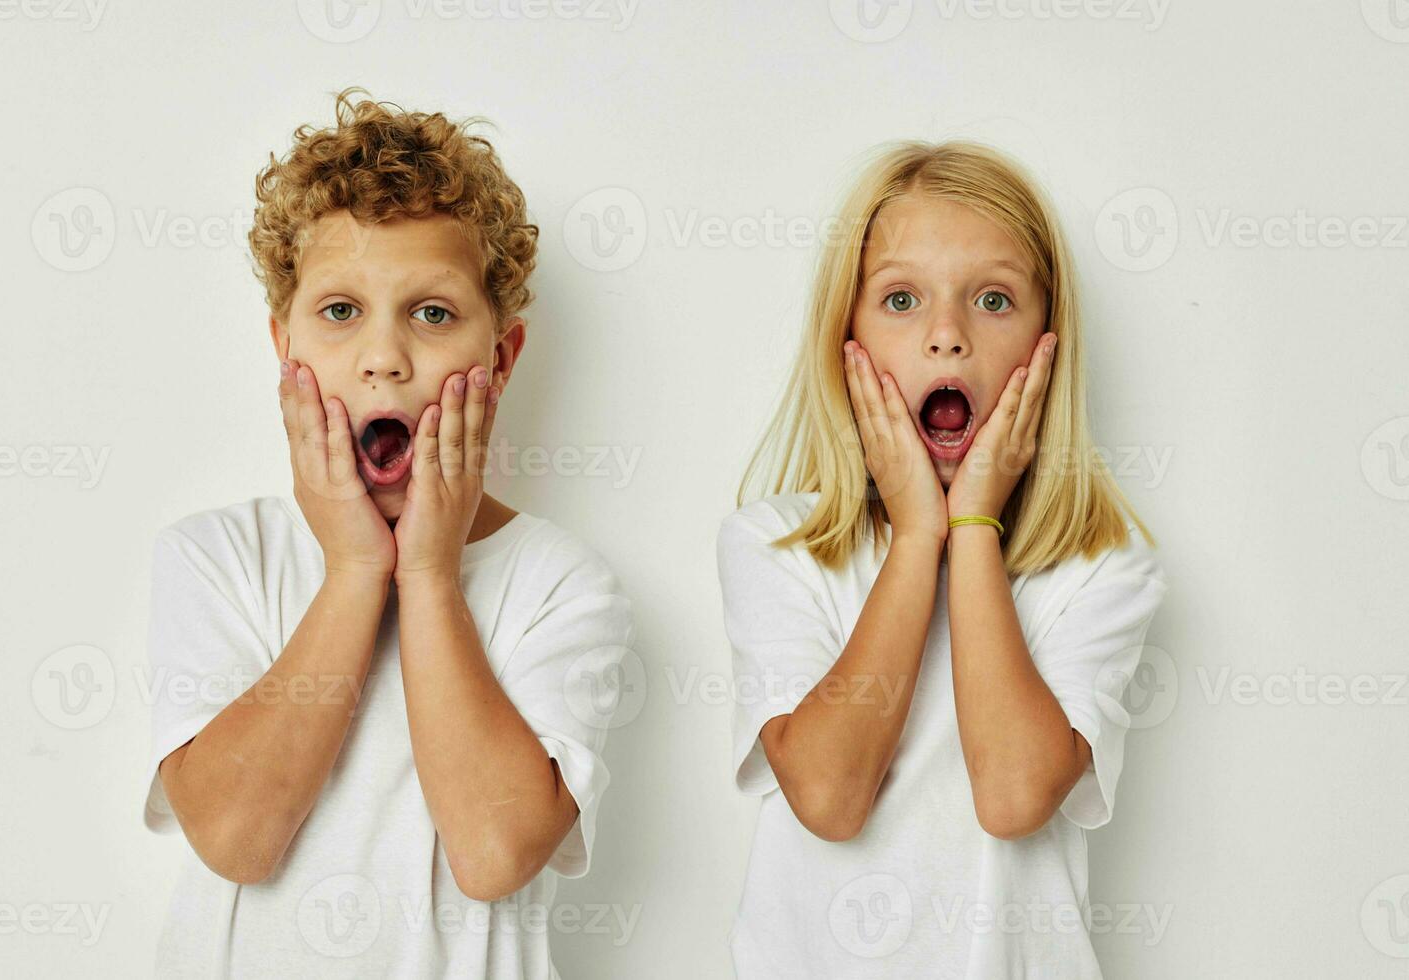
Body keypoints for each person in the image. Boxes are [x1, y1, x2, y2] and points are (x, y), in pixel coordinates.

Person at [142, 88, 633, 978]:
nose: (384, 356)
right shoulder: (216, 559)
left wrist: (433, 577)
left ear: (502, 357)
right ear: (282, 347)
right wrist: (356, 569)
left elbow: (493, 853)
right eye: (339, 312)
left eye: (433, 313)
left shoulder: (561, 584)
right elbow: (237, 839)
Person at [717, 140, 1168, 978]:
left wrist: (972, 530)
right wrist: (918, 538)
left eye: (993, 299)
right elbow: (828, 795)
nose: (947, 338)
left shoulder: (1105, 565)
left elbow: (1014, 798)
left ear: (1048, 347)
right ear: (843, 338)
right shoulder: (775, 547)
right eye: (901, 299)